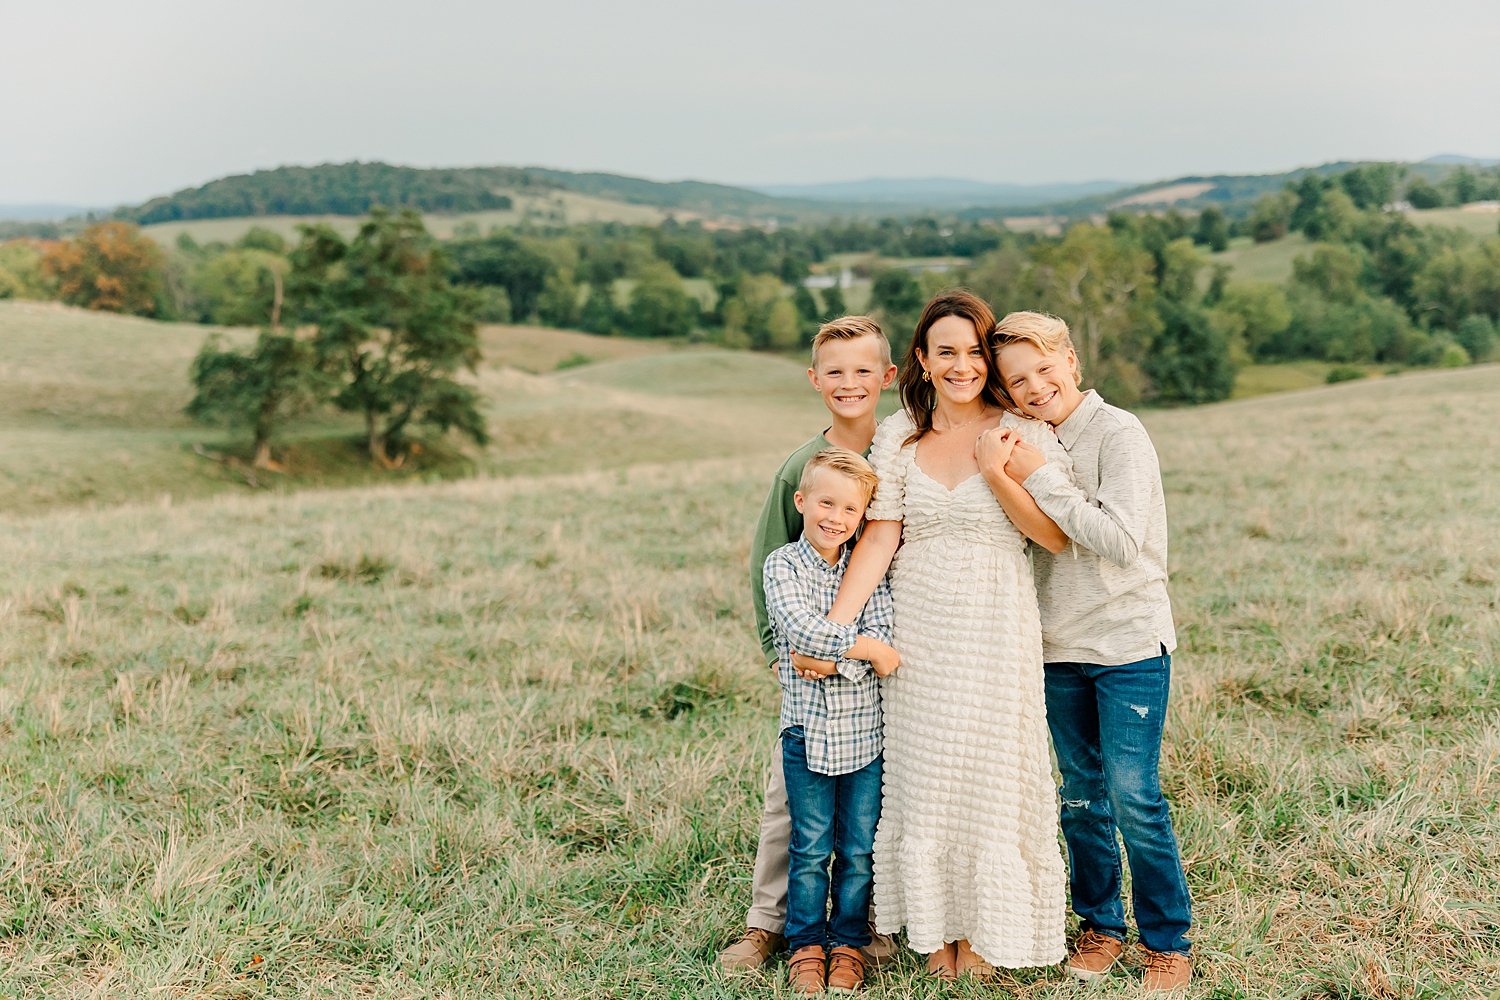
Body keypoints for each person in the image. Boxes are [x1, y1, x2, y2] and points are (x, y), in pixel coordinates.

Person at [810, 290, 1070, 980]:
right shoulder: (899, 436)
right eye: (945, 352)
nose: (962, 366)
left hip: (995, 624)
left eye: (975, 352)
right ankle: (936, 935)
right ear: (921, 360)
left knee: (990, 774)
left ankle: (988, 935)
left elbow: (1053, 536)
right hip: (919, 628)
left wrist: (995, 470)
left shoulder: (1022, 431)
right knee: (925, 778)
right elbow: (883, 536)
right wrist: (835, 626)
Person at [986, 310, 1193, 992]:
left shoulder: (1118, 432)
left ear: (1070, 360)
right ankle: (1101, 925)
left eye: (1045, 369)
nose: (1035, 386)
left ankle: (1167, 939)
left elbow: (1120, 540)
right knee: (1081, 796)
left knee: (1134, 795)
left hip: (1128, 641)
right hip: (1056, 645)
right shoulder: (1020, 436)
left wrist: (1042, 476)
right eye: (1017, 380)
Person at [719, 316, 899, 973]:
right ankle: (769, 923)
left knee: (876, 803)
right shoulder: (801, 466)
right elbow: (769, 556)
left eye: (863, 371)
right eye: (836, 371)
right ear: (815, 379)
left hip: (887, 650)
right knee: (790, 803)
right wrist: (778, 649)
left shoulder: (902, 447)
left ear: (887, 377)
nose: (849, 384)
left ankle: (870, 927)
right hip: (810, 668)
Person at [762, 447, 901, 994]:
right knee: (810, 848)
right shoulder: (783, 566)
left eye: (849, 510)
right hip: (806, 737)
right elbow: (801, 632)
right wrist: (862, 650)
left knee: (858, 849)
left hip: (865, 740)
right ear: (802, 502)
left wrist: (844, 657)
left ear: (862, 518)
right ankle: (805, 945)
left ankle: (847, 943)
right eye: (825, 503)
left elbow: (887, 640)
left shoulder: (868, 574)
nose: (834, 518)